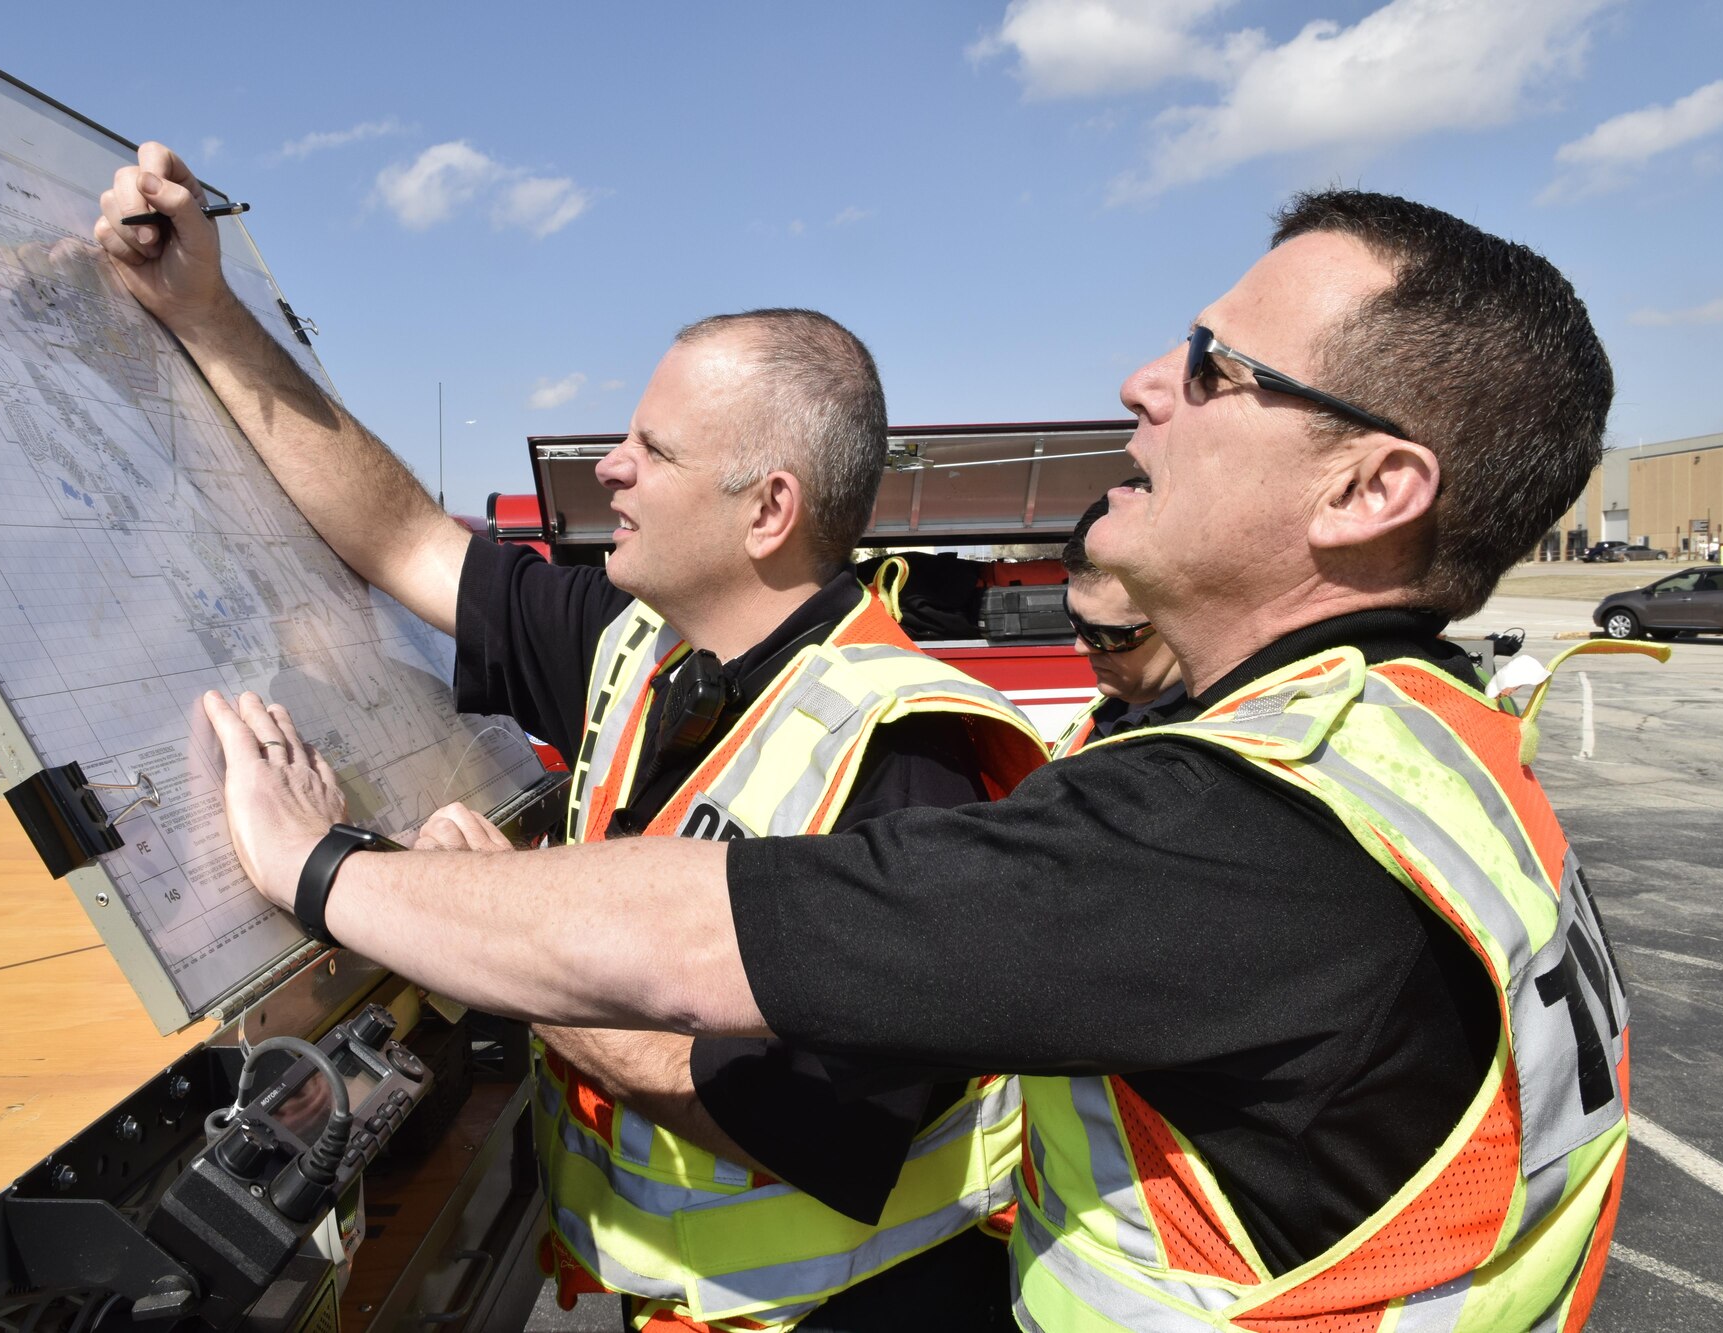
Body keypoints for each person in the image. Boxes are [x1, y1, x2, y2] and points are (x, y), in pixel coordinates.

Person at [192, 188, 1634, 1330]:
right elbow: (403, 540)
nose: (1145, 384)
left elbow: (700, 948)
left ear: (1373, 486)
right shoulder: (1403, 754)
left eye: (1215, 368)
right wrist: (203, 308)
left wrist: (328, 870)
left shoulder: (1237, 830)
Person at [96, 147, 1048, 1332]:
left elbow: (804, 1116)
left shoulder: (911, 760)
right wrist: (206, 311)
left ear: (768, 510)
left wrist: (487, 923)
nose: (609, 468)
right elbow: (396, 534)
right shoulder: (632, 643)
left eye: (652, 450)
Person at [1050, 489, 1184, 756]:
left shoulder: (1199, 749)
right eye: (1074, 619)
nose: (1081, 647)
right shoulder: (1113, 706)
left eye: (1107, 635)